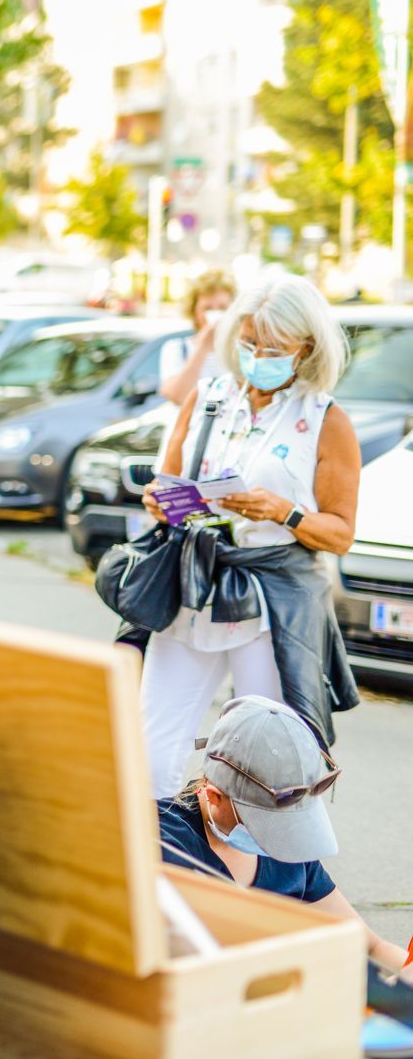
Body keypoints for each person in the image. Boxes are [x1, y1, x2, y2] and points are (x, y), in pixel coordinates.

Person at [139, 275, 360, 798]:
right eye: (248, 342)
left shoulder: (325, 419)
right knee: (153, 746)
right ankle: (160, 858)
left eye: (274, 347)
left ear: (305, 347)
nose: (258, 355)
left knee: (269, 758)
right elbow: (166, 481)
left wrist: (284, 512)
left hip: (272, 599)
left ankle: (268, 871)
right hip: (194, 585)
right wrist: (160, 501)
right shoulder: (210, 397)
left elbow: (341, 533)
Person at [158, 695, 412, 979]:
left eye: (289, 825)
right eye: (268, 826)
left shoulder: (293, 848)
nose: (281, 841)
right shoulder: (161, 844)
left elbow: (371, 947)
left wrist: (405, 971)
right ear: (214, 796)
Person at [158, 270, 236, 407]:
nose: (216, 314)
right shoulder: (177, 348)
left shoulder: (241, 349)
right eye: (207, 308)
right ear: (194, 310)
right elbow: (177, 396)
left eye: (223, 308)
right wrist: (202, 348)